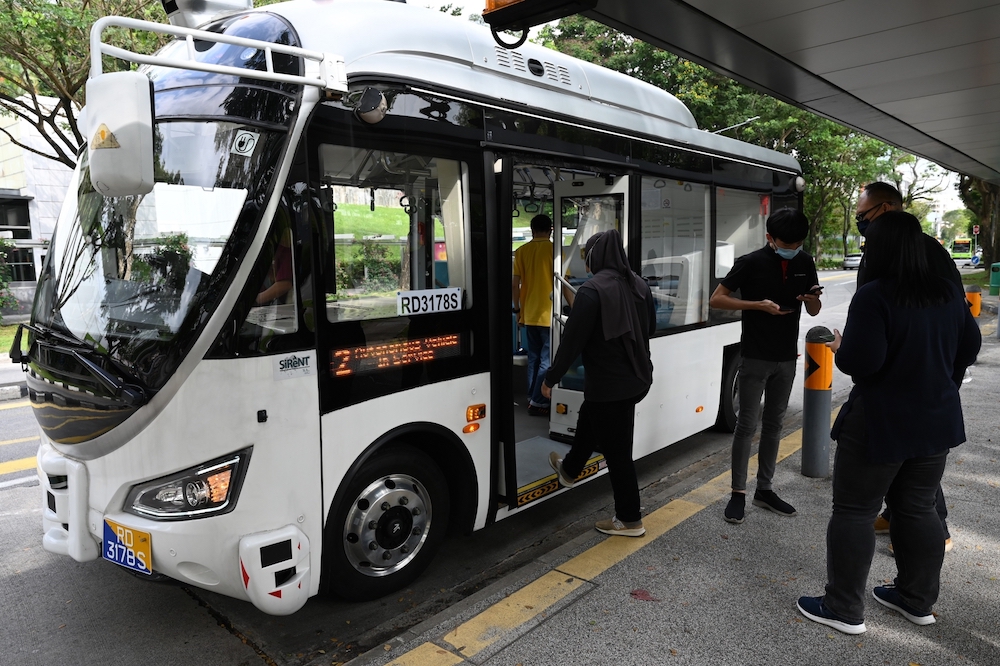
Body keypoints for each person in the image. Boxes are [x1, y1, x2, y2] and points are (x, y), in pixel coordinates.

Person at [796, 211, 980, 635]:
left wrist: (841, 346)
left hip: (880, 422)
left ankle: (843, 607)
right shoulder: (948, 294)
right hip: (936, 420)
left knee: (855, 511)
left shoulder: (876, 296)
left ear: (876, 251)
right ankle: (916, 600)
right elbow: (969, 347)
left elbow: (864, 362)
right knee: (917, 507)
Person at [854, 181, 960, 550]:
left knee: (908, 480)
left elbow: (959, 328)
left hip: (909, 390)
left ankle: (930, 530)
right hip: (915, 389)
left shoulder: (924, 253)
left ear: (885, 210)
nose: (860, 223)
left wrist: (940, 373)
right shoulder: (884, 255)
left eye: (862, 216)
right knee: (913, 470)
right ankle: (902, 522)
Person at [709, 208, 822, 524]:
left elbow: (814, 310)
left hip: (787, 358)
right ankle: (737, 493)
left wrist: (811, 298)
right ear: (769, 238)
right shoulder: (750, 262)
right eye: (787, 242)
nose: (793, 247)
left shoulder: (805, 262)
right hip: (755, 356)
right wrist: (756, 305)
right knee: (747, 425)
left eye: (798, 242)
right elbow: (717, 299)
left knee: (775, 425)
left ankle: (765, 490)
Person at [542, 229, 655, 537]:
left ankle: (630, 519)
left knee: (618, 454)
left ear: (595, 257)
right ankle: (569, 470)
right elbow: (651, 328)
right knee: (589, 413)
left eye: (586, 257)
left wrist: (551, 378)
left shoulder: (592, 292)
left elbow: (572, 342)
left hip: (610, 385)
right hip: (638, 378)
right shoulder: (640, 286)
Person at [512, 214, 554, 416]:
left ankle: (531, 396)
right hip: (548, 315)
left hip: (528, 314)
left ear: (532, 230)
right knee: (547, 360)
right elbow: (562, 284)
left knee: (533, 358)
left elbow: (515, 285)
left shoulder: (521, 252)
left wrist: (518, 310)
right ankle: (538, 402)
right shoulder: (555, 251)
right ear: (551, 230)